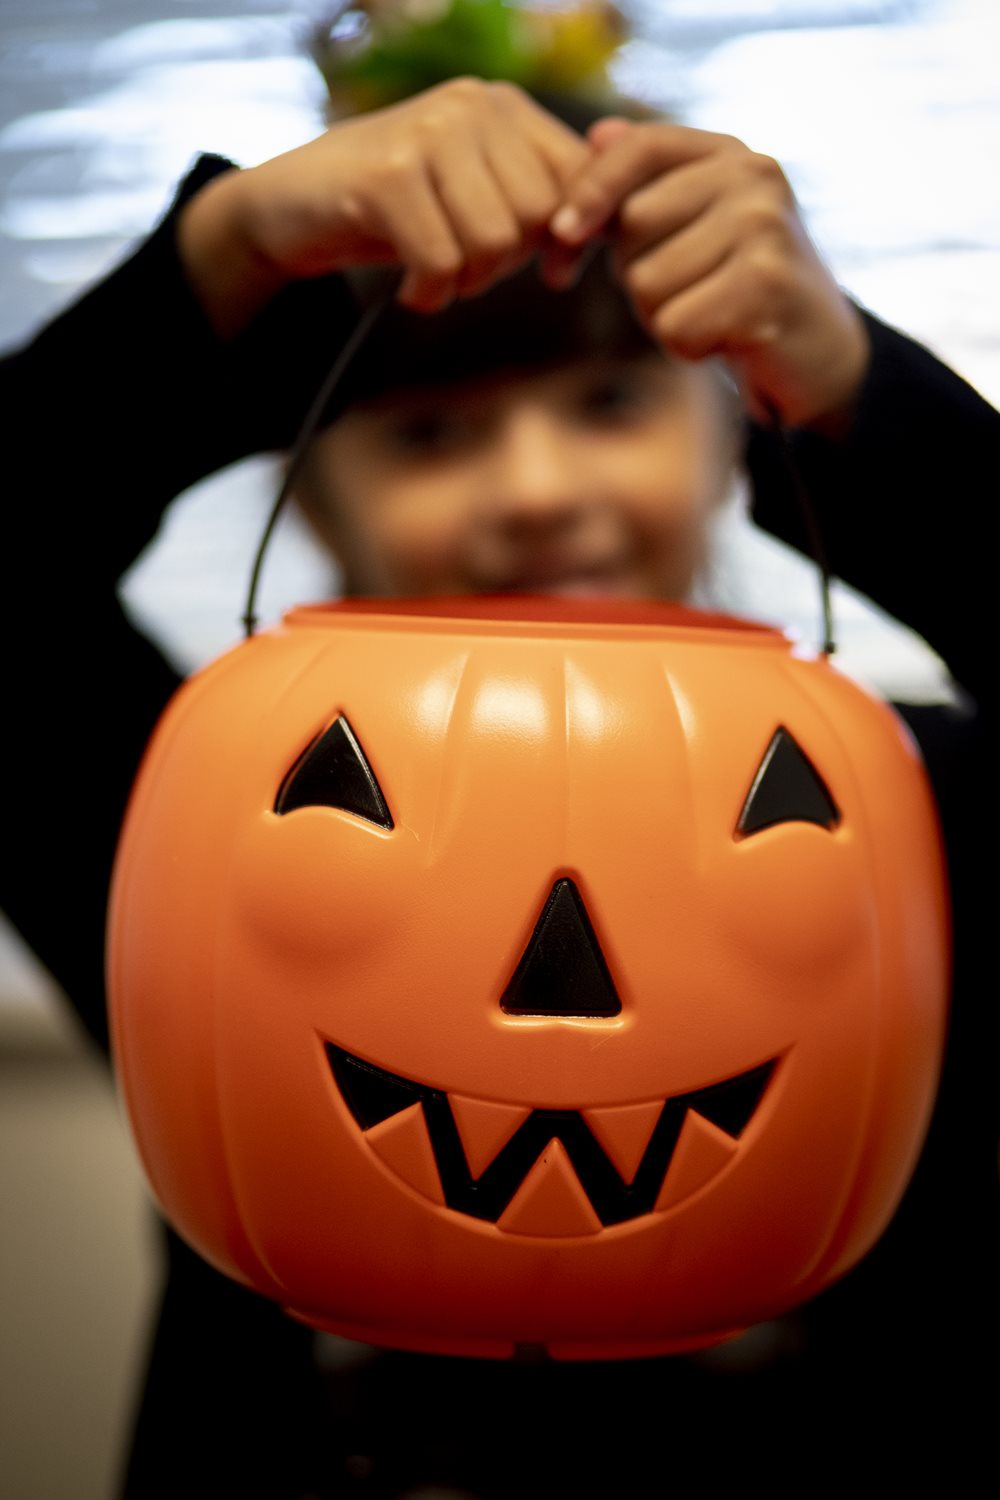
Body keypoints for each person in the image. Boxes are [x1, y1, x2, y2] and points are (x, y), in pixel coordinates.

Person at [2, 72, 996, 1499]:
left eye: (607, 401)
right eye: (430, 433)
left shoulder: (910, 802)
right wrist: (215, 267)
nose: (536, 487)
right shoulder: (205, 805)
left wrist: (857, 390)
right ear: (316, 489)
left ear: (728, 435)